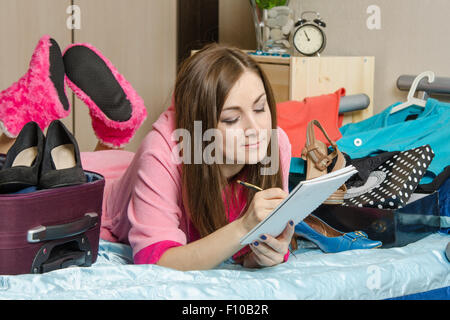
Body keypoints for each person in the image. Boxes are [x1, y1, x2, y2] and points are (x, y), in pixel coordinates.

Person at [0, 43, 296, 271]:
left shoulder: (276, 143)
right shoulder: (165, 152)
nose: (256, 129)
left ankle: (114, 131)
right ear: (199, 126)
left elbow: (245, 248)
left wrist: (263, 256)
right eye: (232, 119)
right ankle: (28, 107)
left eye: (260, 108)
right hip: (104, 195)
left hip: (134, 171)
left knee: (119, 162)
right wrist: (243, 227)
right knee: (16, 168)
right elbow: (157, 260)